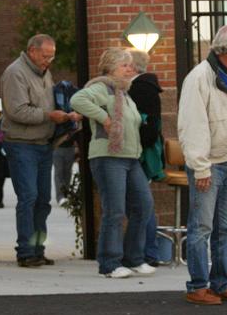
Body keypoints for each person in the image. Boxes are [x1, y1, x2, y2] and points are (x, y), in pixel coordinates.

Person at [178, 24, 227, 305]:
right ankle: (198, 286)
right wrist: (200, 166)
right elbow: (192, 123)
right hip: (210, 163)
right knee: (201, 227)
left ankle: (221, 282)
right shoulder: (200, 77)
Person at [71, 48, 156, 279]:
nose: (130, 69)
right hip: (108, 157)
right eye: (124, 65)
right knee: (115, 211)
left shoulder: (124, 92)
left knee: (143, 205)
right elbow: (77, 100)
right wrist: (105, 118)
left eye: (131, 65)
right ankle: (109, 264)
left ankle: (134, 259)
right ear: (110, 68)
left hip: (130, 158)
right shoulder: (101, 87)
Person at [1, 34, 81, 267]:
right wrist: (49, 116)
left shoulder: (44, 72)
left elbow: (50, 103)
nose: (49, 61)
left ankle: (38, 248)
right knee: (28, 197)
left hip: (43, 144)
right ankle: (25, 251)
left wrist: (66, 113)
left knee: (43, 201)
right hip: (21, 144)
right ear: (32, 51)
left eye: (52, 56)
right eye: (46, 56)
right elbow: (17, 111)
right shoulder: (15, 73)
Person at [126, 48, 166, 266]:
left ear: (132, 66)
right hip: (144, 152)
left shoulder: (139, 89)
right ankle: (148, 251)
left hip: (138, 154)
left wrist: (135, 148)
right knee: (142, 204)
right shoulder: (148, 86)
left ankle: (147, 252)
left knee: (141, 205)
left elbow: (146, 127)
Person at [52, 80, 80, 207]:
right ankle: (60, 196)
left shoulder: (73, 113)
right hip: (58, 145)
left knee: (67, 171)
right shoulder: (56, 107)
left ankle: (66, 194)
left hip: (69, 145)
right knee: (59, 171)